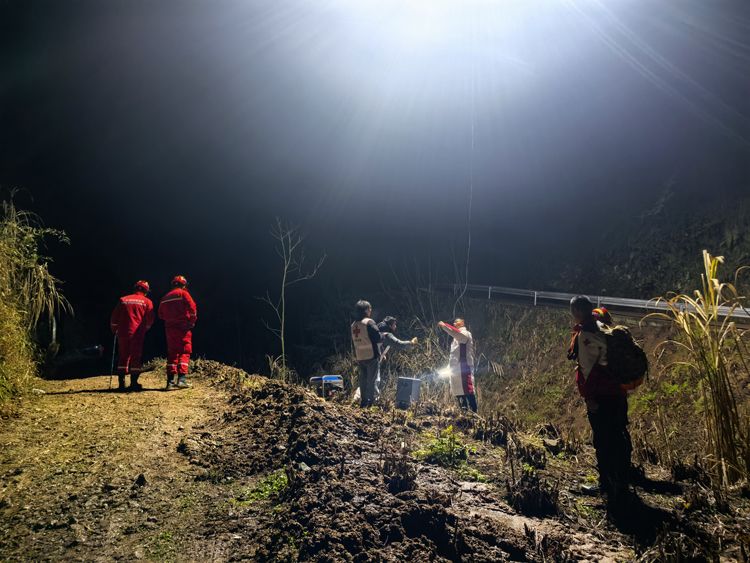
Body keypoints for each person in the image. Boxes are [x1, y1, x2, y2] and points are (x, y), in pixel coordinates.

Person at [567, 296, 630, 503]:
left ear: (577, 311)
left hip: (601, 396)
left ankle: (607, 485)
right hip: (617, 392)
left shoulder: (586, 334)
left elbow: (587, 370)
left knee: (603, 441)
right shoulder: (603, 326)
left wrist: (589, 397)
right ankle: (621, 482)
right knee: (619, 436)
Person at [110, 280, 154, 392]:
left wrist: (114, 329)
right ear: (146, 290)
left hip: (123, 333)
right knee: (136, 357)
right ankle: (134, 384)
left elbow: (114, 317)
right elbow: (150, 319)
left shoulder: (123, 299)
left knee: (123, 356)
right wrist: (145, 329)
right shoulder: (147, 302)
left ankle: (121, 384)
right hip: (137, 334)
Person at [158, 275, 197, 390]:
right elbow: (193, 308)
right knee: (185, 351)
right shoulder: (184, 294)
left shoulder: (165, 297)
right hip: (183, 327)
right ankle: (181, 380)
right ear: (184, 285)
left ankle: (170, 382)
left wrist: (170, 319)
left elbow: (160, 314)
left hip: (170, 328)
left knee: (172, 352)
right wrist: (191, 321)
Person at [438, 318, 477, 413]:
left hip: (464, 366)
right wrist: (448, 368)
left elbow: (457, 334)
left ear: (462, 323)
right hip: (455, 368)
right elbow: (453, 355)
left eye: (457, 321)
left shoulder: (465, 334)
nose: (454, 323)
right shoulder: (455, 338)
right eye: (454, 322)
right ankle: (464, 412)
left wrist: (444, 326)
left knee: (468, 390)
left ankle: (474, 413)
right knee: (458, 391)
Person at [350, 300, 382, 407]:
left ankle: (363, 402)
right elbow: (378, 337)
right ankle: (371, 403)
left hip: (360, 356)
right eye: (370, 309)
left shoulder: (354, 325)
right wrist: (384, 335)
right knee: (372, 381)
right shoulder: (368, 322)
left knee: (363, 380)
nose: (370, 311)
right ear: (366, 310)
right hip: (371, 355)